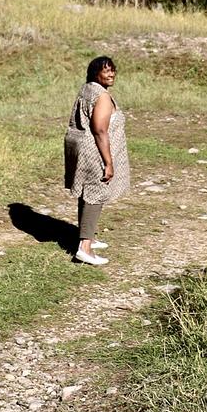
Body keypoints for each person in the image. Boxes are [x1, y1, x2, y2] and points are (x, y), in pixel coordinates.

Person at [64, 55, 130, 265]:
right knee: (96, 194)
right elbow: (100, 130)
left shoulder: (87, 89)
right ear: (95, 73)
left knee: (87, 193)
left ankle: (88, 236)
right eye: (106, 70)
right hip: (94, 152)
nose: (111, 74)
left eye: (113, 70)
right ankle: (84, 248)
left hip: (81, 149)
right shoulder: (101, 96)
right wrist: (108, 162)